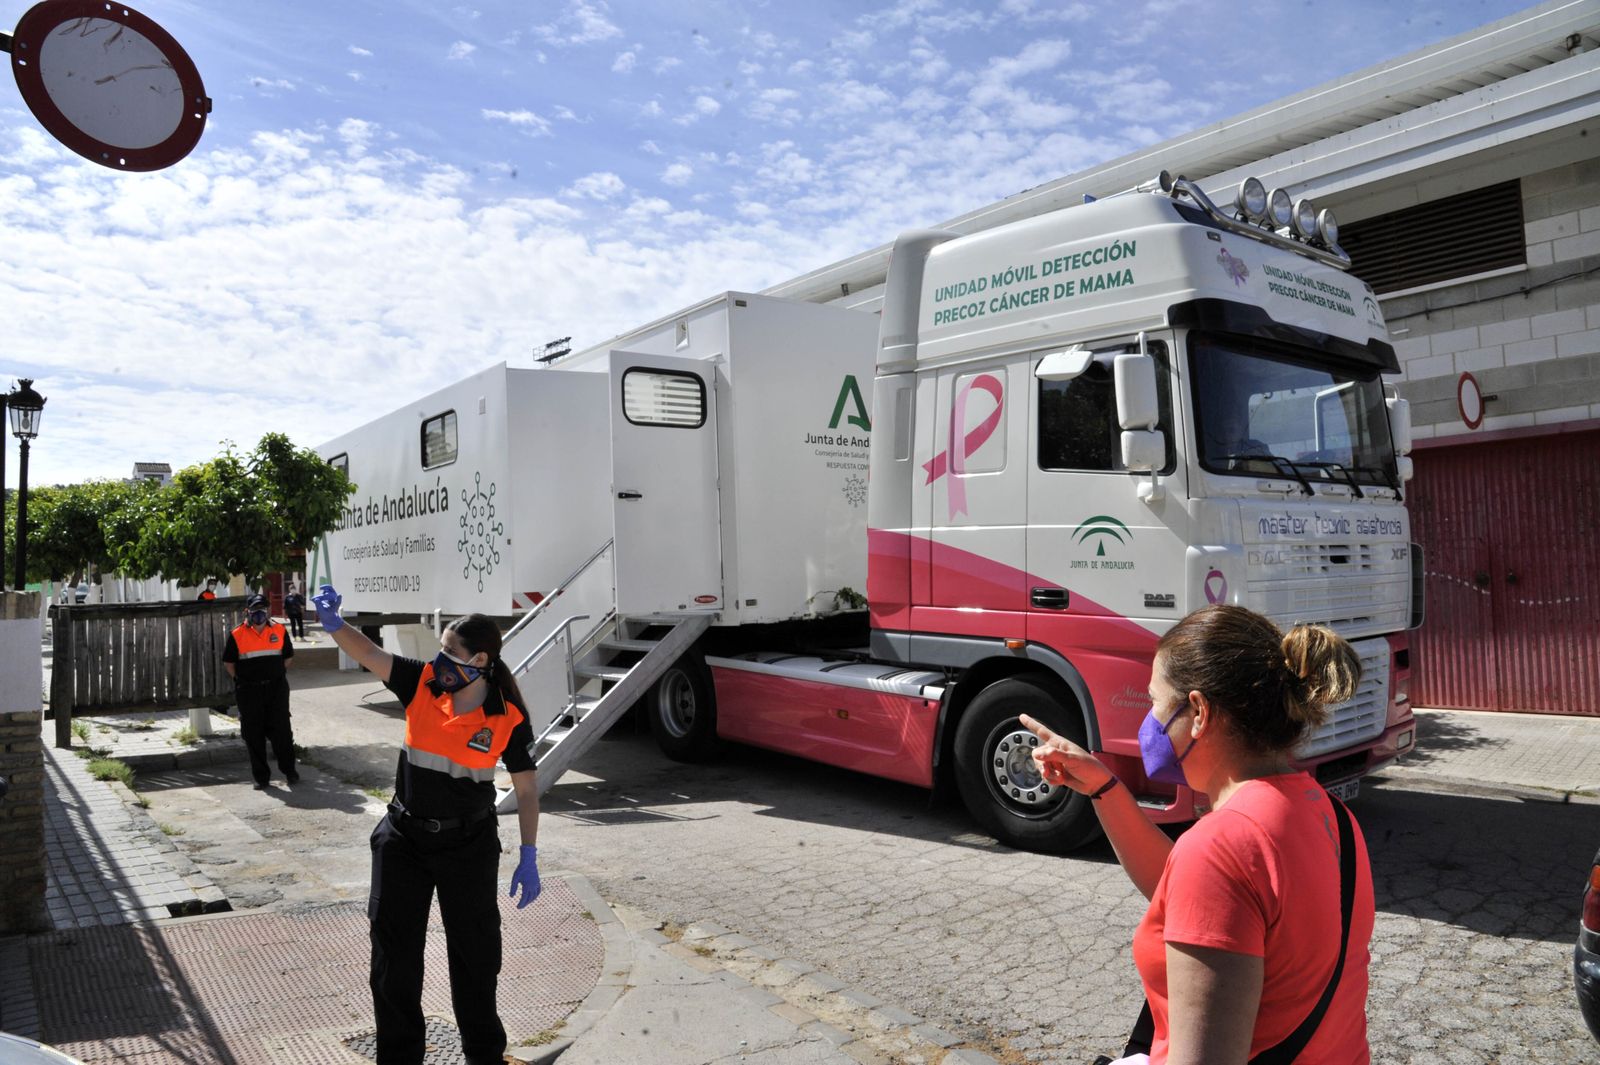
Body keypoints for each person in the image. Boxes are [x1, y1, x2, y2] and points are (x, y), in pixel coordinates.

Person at [1021, 604, 1374, 1065]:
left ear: (1199, 712)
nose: (1148, 721)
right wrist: (1104, 788)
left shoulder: (1221, 846)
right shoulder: (1332, 815)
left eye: (1154, 702)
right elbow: (1196, 904)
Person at [310, 583, 543, 1065]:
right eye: (438, 653)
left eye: (449, 654)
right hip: (404, 840)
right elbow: (371, 653)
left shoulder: (507, 717)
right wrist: (335, 625)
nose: (438, 662)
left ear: (478, 661)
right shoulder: (422, 683)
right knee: (394, 962)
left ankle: (485, 1057)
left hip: (469, 844)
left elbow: (525, 789)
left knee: (475, 961)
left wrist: (529, 853)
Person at [222, 593, 299, 790]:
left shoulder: (280, 630)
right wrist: (242, 679)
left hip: (276, 689)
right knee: (253, 735)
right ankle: (261, 778)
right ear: (247, 612)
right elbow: (229, 662)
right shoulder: (237, 634)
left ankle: (290, 771)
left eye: (262, 609)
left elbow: (288, 657)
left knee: (282, 732)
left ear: (267, 611)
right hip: (249, 691)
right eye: (255, 610)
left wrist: (276, 673)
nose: (259, 613)